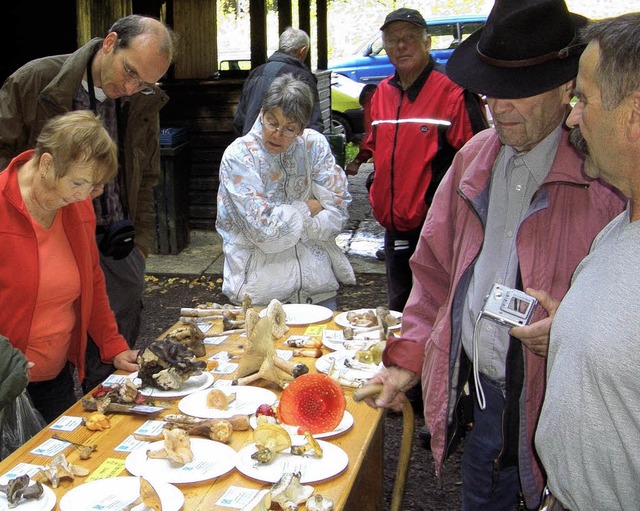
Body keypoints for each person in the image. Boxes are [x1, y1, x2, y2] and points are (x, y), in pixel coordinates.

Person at [361, 0, 626, 509]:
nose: (499, 107)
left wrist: (572, 329)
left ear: (565, 86)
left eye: (518, 93)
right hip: (482, 403)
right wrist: (408, 359)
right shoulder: (472, 162)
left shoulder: (605, 181)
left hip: (560, 413)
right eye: (492, 90)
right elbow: (434, 276)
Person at [0, 15, 176, 393]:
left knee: (111, 366)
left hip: (117, 243)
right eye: (129, 73)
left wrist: (141, 244)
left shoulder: (142, 97)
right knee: (33, 338)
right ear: (110, 43)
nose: (131, 87)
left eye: (144, 83)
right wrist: (23, 213)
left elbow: (147, 175)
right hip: (38, 231)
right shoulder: (35, 80)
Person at [533, 13, 640, 511]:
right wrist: (571, 329)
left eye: (584, 99)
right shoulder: (618, 232)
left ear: (636, 114)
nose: (573, 116)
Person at [345, 7, 488, 312]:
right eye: (393, 39)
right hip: (394, 228)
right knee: (399, 310)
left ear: (427, 43)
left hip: (437, 231)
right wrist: (374, 186)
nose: (400, 46)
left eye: (409, 38)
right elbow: (376, 147)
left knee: (437, 313)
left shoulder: (453, 92)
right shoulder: (382, 93)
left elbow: (482, 160)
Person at [0, 110, 139, 423]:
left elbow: (91, 279)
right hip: (5, 384)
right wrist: (5, 362)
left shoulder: (77, 205)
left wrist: (113, 346)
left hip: (55, 374)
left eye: (92, 187)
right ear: (47, 164)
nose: (82, 195)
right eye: (78, 182)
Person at [217, 74, 355, 309]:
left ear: (302, 129)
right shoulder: (239, 157)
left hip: (319, 292)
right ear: (261, 112)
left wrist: (289, 224)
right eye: (272, 122)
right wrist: (307, 209)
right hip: (260, 296)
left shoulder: (314, 145)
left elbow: (339, 210)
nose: (277, 133)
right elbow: (263, 231)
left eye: (289, 128)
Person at [233, 27, 324, 137]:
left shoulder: (256, 73)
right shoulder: (303, 77)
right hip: (286, 150)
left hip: (251, 146)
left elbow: (239, 121)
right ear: (303, 51)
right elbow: (314, 126)